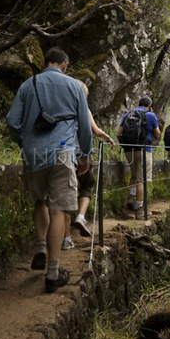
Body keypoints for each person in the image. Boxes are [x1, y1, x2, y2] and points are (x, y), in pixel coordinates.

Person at [6, 47, 92, 293]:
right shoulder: (74, 86)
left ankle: (41, 247)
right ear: (64, 65)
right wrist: (84, 155)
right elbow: (84, 127)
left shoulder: (27, 85)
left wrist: (24, 142)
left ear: (46, 63)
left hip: (33, 155)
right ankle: (53, 274)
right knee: (59, 210)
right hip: (62, 153)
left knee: (40, 202)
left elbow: (13, 121)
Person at [62, 83, 115, 249]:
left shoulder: (61, 108)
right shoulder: (84, 109)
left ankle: (66, 239)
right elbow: (95, 130)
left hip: (61, 154)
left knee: (64, 198)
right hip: (80, 155)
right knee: (87, 186)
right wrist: (107, 137)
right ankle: (81, 216)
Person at [117, 97, 161, 220]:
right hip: (143, 150)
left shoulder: (128, 114)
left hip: (128, 150)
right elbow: (158, 134)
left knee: (134, 175)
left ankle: (131, 197)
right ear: (150, 105)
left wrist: (125, 145)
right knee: (141, 180)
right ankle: (140, 210)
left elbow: (118, 133)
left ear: (138, 104)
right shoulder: (150, 115)